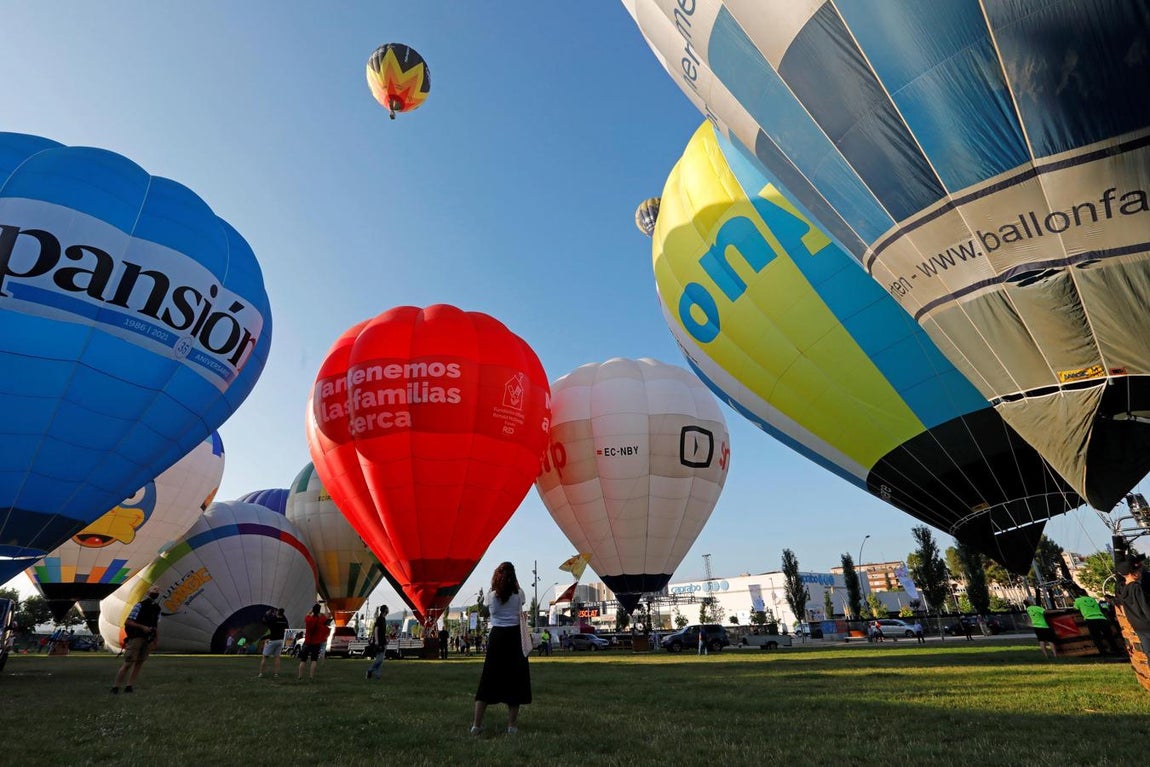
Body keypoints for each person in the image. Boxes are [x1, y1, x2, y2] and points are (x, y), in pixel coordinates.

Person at [471, 562, 531, 736]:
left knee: (488, 680)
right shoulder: (519, 594)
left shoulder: (491, 596)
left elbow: (487, 609)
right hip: (515, 637)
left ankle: (476, 725)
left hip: (496, 637)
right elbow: (521, 599)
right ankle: (511, 726)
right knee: (516, 681)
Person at [111, 585, 162, 694]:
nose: (156, 592)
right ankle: (115, 686)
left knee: (139, 662)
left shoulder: (157, 608)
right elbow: (128, 622)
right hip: (136, 637)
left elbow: (156, 625)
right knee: (129, 662)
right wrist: (142, 627)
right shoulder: (140, 606)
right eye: (154, 590)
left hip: (148, 639)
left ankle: (129, 686)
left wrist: (156, 640)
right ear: (148, 592)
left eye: (157, 590)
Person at [1114, 559, 1150, 655]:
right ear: (1131, 573)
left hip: (1137, 626)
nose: (1140, 572)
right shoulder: (1136, 587)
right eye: (1137, 571)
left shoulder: (1123, 589)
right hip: (1147, 623)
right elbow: (1145, 607)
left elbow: (1124, 610)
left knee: (1148, 652)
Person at [1073, 589, 1122, 657]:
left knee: (1096, 638)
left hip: (1090, 619)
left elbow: (1075, 608)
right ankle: (1116, 650)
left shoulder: (1078, 600)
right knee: (1109, 636)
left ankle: (1103, 652)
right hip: (1101, 618)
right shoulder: (1092, 599)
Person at [298, 603, 328, 681]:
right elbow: (327, 616)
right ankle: (311, 677)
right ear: (318, 611)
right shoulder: (320, 620)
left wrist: (312, 610)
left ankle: (300, 676)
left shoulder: (308, 619)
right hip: (316, 643)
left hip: (307, 642)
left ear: (313, 611)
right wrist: (325, 606)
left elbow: (307, 614)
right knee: (314, 660)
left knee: (303, 660)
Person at [258, 607, 289, 677]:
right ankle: (276, 673)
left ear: (277, 612)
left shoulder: (274, 619)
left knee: (265, 657)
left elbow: (264, 621)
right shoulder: (284, 620)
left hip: (273, 640)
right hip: (281, 640)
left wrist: (267, 614)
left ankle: (261, 673)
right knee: (277, 657)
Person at [365, 605, 389, 680]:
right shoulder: (380, 619)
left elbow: (382, 631)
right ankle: (369, 670)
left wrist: (386, 638)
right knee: (379, 659)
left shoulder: (384, 619)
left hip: (383, 641)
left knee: (380, 660)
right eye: (387, 609)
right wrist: (377, 641)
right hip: (379, 641)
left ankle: (377, 675)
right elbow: (376, 630)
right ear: (385, 610)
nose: (388, 610)